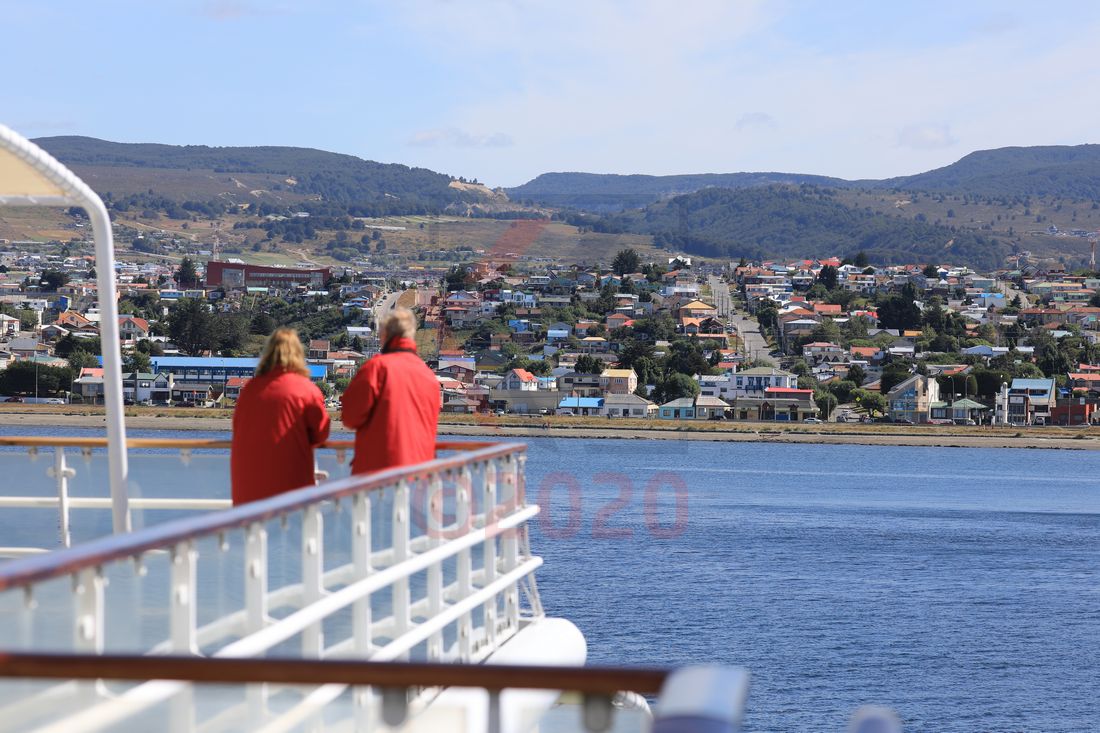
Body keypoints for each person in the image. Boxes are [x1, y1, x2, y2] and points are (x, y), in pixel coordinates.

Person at [231, 328, 330, 505]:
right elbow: (321, 433)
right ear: (298, 354)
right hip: (292, 492)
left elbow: (238, 426)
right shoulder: (306, 389)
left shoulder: (250, 389)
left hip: (247, 494)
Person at [341, 307, 440, 474]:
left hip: (377, 475)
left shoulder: (376, 368)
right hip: (420, 474)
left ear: (384, 335)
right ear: (411, 335)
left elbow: (350, 418)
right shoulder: (429, 376)